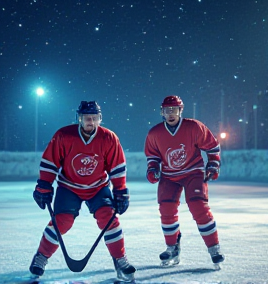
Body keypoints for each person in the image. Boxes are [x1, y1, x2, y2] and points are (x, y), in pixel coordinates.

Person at [29, 101, 136, 283]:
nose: (90, 122)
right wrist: (44, 186)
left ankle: (119, 259)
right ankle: (41, 256)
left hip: (98, 187)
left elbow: (117, 167)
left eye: (94, 118)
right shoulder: (64, 135)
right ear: (79, 119)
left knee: (109, 218)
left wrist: (121, 191)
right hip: (69, 187)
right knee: (61, 221)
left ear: (100, 119)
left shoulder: (109, 138)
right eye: (87, 118)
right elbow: (50, 162)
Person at [144, 95, 225, 267]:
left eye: (174, 110)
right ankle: (172, 247)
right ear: (162, 112)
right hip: (169, 175)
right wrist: (153, 168)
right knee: (166, 208)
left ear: (181, 111)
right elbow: (152, 155)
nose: (171, 113)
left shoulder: (194, 127)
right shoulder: (155, 133)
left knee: (198, 206)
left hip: (193, 172)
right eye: (167, 110)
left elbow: (212, 146)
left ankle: (214, 248)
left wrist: (213, 164)